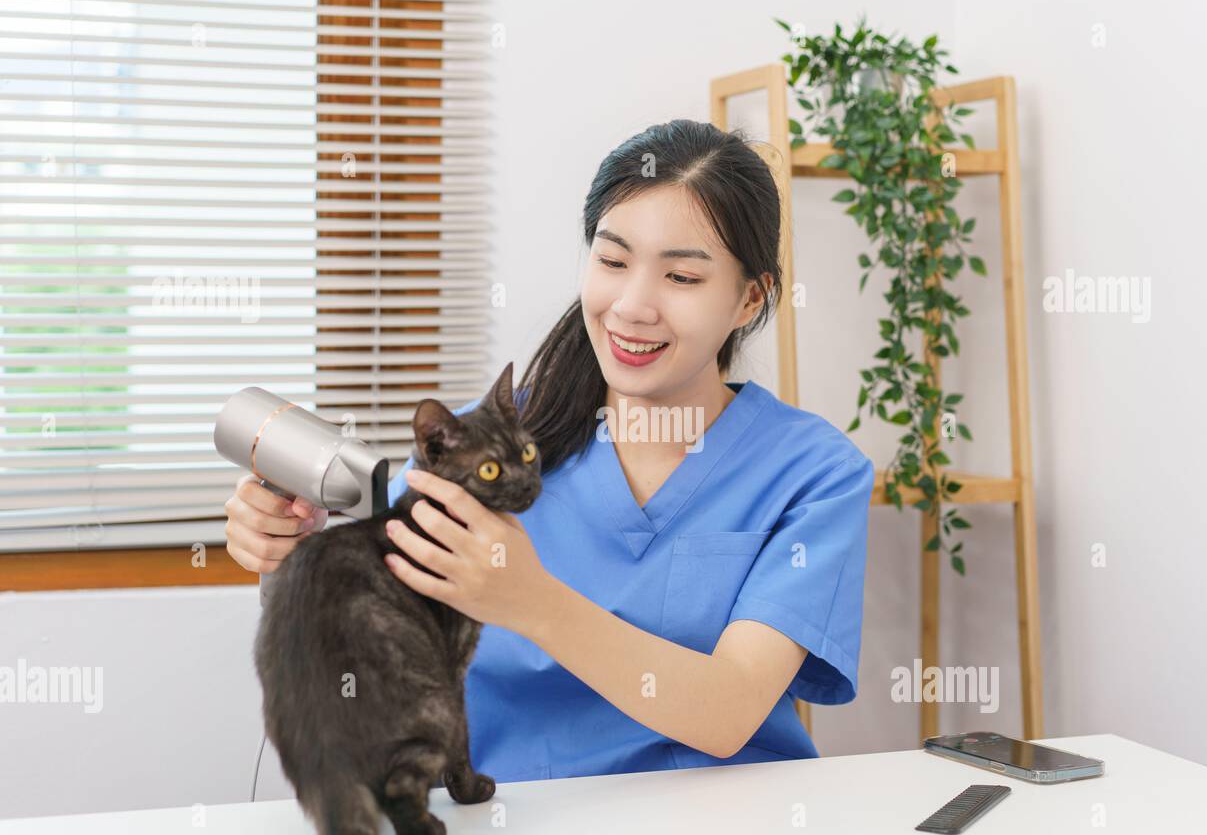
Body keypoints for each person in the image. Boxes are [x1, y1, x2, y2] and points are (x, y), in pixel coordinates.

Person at [225, 118, 875, 783]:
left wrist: (532, 600)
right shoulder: (494, 446)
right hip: (506, 825)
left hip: (723, 827)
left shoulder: (814, 473)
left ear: (749, 298)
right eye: (613, 261)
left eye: (681, 277)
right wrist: (283, 556)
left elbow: (730, 708)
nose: (632, 305)